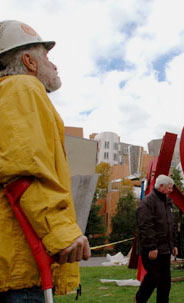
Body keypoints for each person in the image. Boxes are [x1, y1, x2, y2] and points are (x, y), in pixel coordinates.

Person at [0, 20, 91, 302]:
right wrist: (61, 232)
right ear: (28, 61)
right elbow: (21, 172)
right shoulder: (22, 89)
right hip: (20, 265)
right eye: (47, 56)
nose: (54, 65)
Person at [135, 174, 178, 303]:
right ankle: (139, 300)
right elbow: (145, 226)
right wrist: (152, 247)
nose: (171, 190)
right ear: (161, 187)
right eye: (169, 188)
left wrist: (173, 245)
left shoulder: (168, 203)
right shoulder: (147, 202)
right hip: (152, 250)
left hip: (165, 249)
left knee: (165, 281)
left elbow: (171, 225)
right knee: (153, 277)